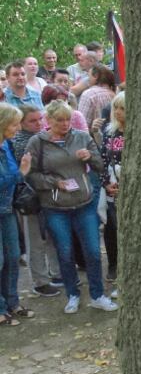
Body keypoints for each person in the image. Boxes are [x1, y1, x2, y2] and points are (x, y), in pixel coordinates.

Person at [26, 101, 117, 314]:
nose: (65, 123)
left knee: (93, 252)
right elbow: (30, 174)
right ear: (48, 121)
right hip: (55, 206)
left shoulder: (81, 137)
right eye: (59, 120)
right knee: (65, 253)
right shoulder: (37, 142)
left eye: (68, 119)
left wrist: (90, 157)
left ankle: (97, 295)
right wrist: (54, 183)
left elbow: (101, 165)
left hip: (84, 203)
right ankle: (73, 294)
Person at [11, 106, 60, 296]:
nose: (39, 123)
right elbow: (28, 172)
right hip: (30, 197)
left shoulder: (44, 138)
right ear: (22, 123)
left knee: (51, 235)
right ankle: (39, 281)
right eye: (33, 121)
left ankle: (56, 273)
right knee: (35, 239)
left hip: (49, 194)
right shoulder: (20, 143)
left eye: (40, 119)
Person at [0, 104, 34, 326]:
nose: (17, 127)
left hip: (8, 209)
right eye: (14, 124)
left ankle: (13, 302)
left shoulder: (7, 146)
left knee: (13, 258)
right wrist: (21, 173)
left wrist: (21, 173)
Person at [98, 92, 126, 282]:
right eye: (115, 107)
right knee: (111, 229)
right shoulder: (110, 131)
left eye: (122, 108)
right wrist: (107, 183)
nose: (117, 112)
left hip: (131, 188)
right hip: (112, 189)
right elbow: (103, 160)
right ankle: (114, 266)